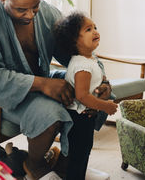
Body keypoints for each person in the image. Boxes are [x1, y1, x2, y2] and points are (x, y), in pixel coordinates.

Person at [0, 0, 111, 180]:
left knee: (90, 90)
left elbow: (77, 52)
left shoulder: (47, 14)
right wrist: (43, 84)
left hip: (39, 83)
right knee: (50, 112)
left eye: (35, 7)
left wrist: (101, 79)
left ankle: (67, 164)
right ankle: (33, 165)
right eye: (21, 10)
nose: (30, 15)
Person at [53, 11, 117, 180]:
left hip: (85, 116)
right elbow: (81, 96)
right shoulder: (82, 65)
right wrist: (106, 106)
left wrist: (104, 83)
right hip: (79, 118)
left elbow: (97, 81)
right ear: (74, 41)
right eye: (88, 30)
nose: (95, 31)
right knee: (78, 156)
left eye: (95, 27)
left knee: (83, 152)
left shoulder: (89, 60)